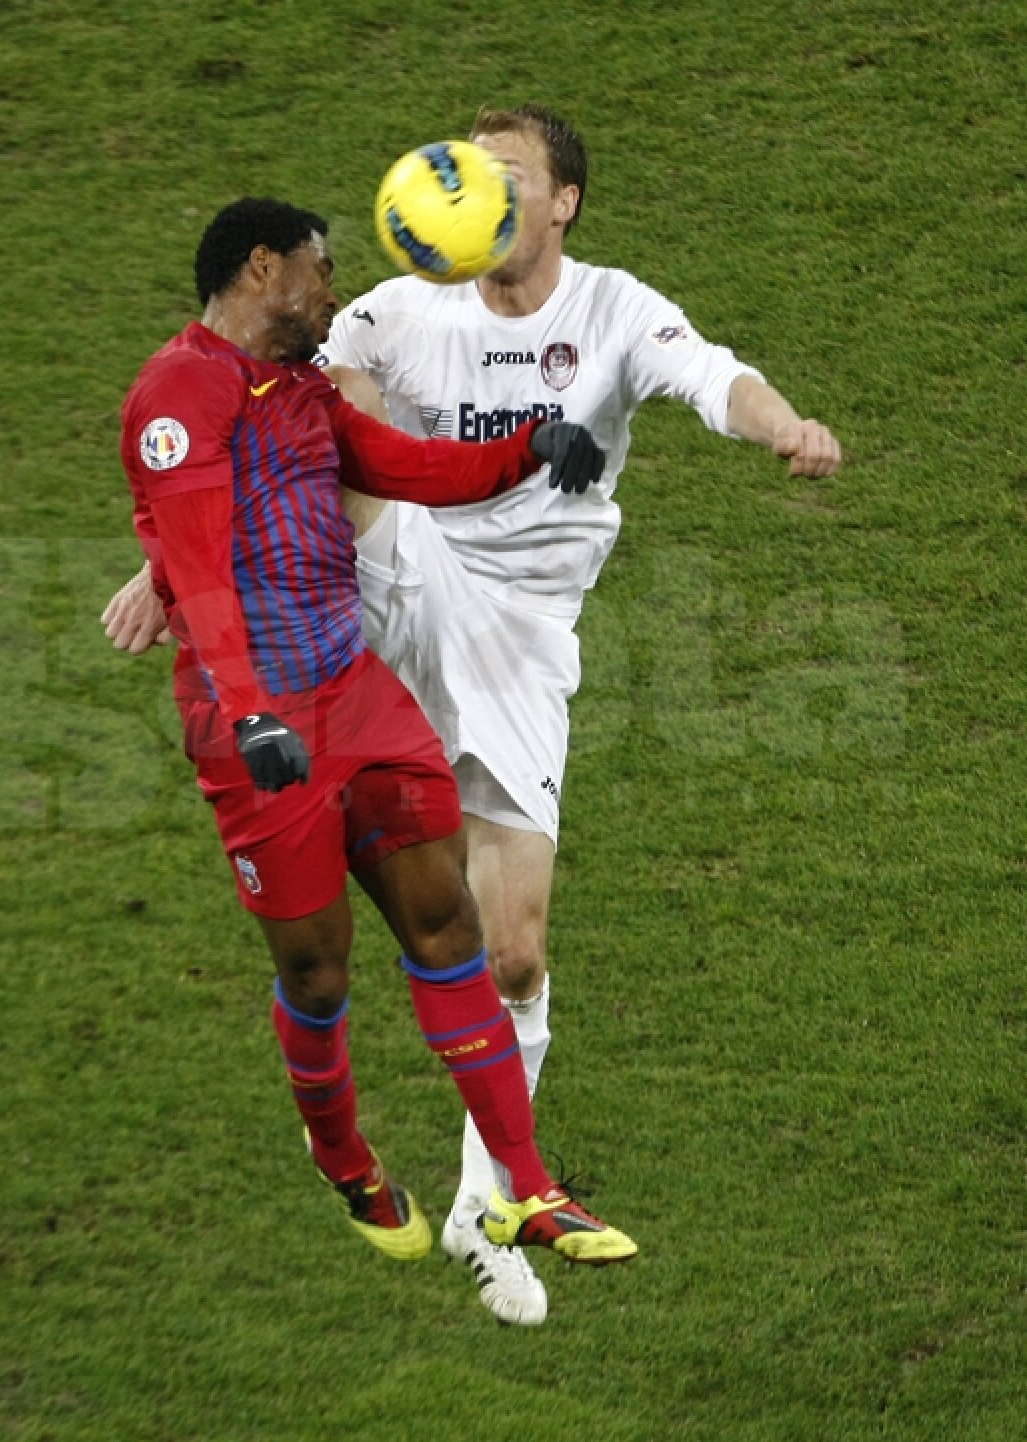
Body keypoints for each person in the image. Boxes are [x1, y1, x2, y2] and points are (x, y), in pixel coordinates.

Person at [105, 112, 842, 1324]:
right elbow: (244, 425)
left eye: (512, 176)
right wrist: (169, 563)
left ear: (563, 205)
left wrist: (787, 430)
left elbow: (716, 378)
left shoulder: (611, 310)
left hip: (524, 629)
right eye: (472, 170)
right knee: (341, 446)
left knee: (508, 951)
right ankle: (365, 1153)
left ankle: (487, 1201)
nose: (483, 188)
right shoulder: (392, 309)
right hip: (402, 578)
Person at [119, 195, 635, 1279]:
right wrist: (252, 708)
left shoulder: (304, 391)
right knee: (316, 972)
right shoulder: (179, 393)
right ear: (260, 268)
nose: (333, 289)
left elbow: (410, 466)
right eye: (319, 269)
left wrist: (527, 450)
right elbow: (201, 570)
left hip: (356, 699)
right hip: (251, 722)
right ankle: (344, 1153)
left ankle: (526, 1183)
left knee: (449, 924)